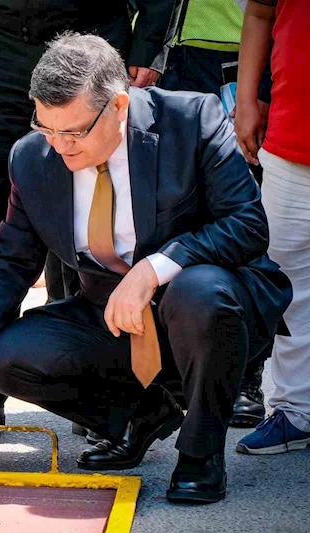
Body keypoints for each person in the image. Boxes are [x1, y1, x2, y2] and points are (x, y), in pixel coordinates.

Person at [0, 33, 291, 504]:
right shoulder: (31, 157)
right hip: (110, 317)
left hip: (204, 309)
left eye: (74, 132)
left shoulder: (191, 120)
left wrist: (154, 269)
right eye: (46, 127)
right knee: (6, 356)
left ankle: (201, 453)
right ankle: (141, 415)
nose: (59, 146)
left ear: (119, 105)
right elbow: (11, 261)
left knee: (199, 291)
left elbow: (247, 224)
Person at [0, 0, 177, 426]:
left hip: (92, 27)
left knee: (90, 194)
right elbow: (6, 249)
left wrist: (149, 44)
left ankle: (85, 377)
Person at [157, 0, 272, 429]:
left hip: (250, 51)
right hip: (176, 52)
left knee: (246, 215)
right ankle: (175, 370)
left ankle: (246, 373)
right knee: (174, 213)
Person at [234, 0, 310, 456]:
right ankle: (294, 411)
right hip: (290, 140)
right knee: (285, 283)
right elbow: (261, 12)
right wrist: (246, 100)